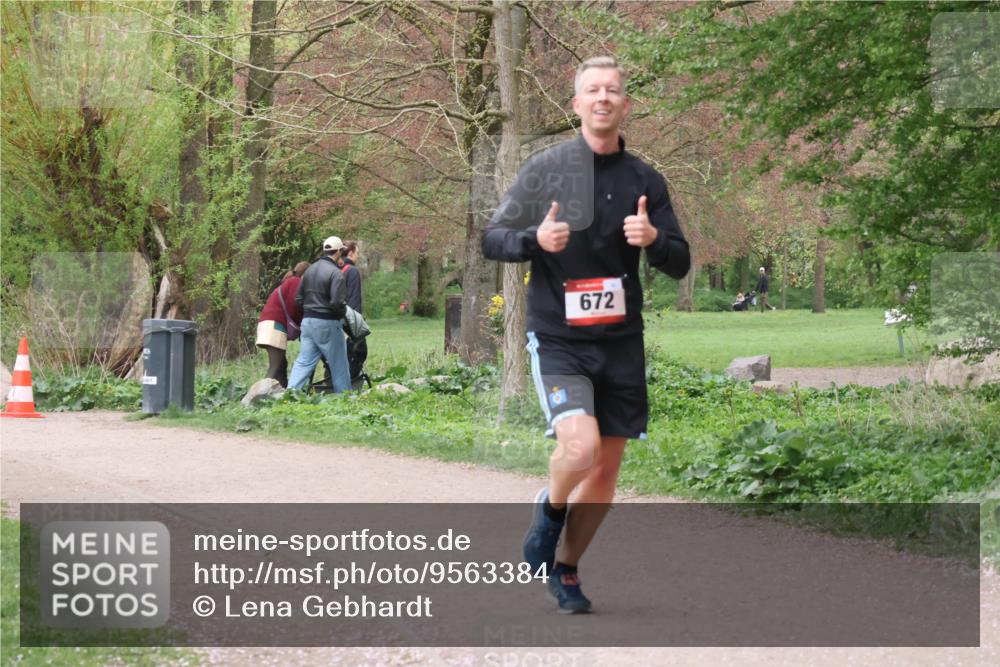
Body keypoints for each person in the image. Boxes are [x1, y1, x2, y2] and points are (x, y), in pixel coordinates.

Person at [482, 56, 690, 614]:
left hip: (620, 341)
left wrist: (653, 239)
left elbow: (680, 262)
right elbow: (492, 237)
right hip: (559, 339)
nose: (602, 98)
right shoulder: (545, 169)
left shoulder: (645, 179)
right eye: (591, 90)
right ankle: (549, 511)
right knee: (580, 448)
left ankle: (567, 570)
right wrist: (533, 240)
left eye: (612, 91)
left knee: (605, 469)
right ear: (576, 105)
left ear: (625, 105)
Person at [287, 236, 352, 393]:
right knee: (339, 364)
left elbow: (298, 299)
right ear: (338, 252)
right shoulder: (336, 273)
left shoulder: (309, 270)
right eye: (342, 252)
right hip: (327, 323)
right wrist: (344, 314)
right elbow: (337, 303)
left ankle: (289, 395)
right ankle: (346, 400)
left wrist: (311, 310)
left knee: (304, 362)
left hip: (307, 323)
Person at [255, 261, 309, 387]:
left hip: (267, 326)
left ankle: (282, 392)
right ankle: (257, 397)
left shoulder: (288, 282)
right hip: (275, 327)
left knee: (281, 365)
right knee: (275, 367)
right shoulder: (296, 282)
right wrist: (303, 322)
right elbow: (294, 306)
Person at [339, 241, 368, 382]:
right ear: (350, 253)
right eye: (357, 253)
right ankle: (351, 382)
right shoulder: (352, 271)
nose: (358, 256)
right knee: (359, 352)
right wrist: (357, 325)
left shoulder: (336, 269)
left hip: (335, 318)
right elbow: (354, 298)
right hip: (348, 319)